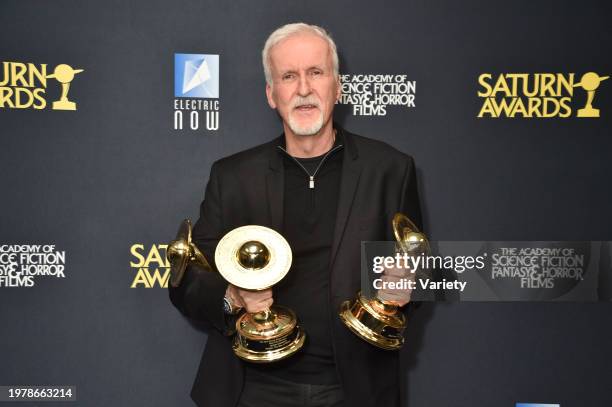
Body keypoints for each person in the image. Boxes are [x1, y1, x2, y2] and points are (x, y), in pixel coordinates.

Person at [169, 22, 422, 407]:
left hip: (355, 389)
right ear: (272, 94)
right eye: (289, 76)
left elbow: (421, 268)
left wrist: (406, 289)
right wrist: (232, 296)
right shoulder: (233, 176)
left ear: (337, 87)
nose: (303, 88)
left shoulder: (390, 168)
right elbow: (187, 279)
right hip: (250, 386)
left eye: (315, 73)